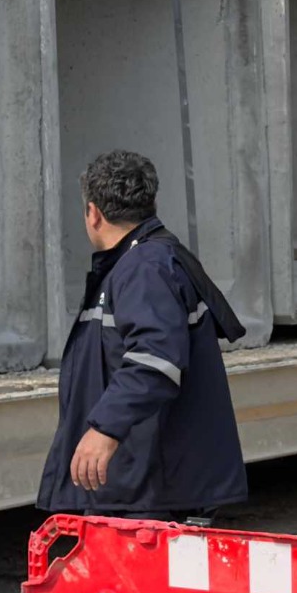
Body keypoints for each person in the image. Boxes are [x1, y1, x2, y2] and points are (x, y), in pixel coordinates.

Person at [36, 149, 249, 520]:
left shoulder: (144, 268)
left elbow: (155, 360)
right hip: (141, 484)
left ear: (93, 214)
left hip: (149, 491)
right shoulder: (144, 262)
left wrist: (104, 429)